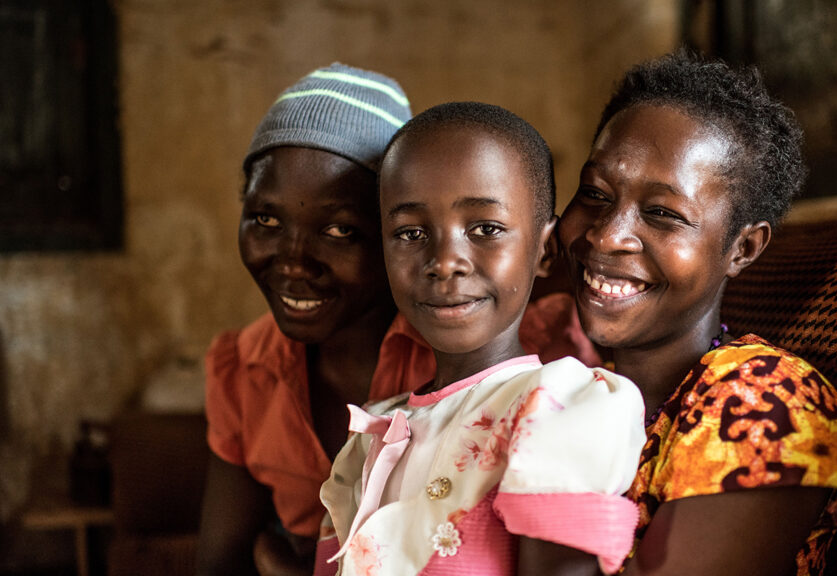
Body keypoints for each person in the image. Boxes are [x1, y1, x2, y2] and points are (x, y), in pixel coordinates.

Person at [198, 66, 600, 576]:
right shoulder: (251, 373)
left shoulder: (543, 377)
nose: (294, 262)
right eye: (266, 220)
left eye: (341, 229)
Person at [557, 52, 837, 576]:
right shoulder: (578, 390)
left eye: (663, 214)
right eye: (594, 194)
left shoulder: (765, 398)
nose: (606, 234)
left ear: (742, 249)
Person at [316, 102, 646, 576]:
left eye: (486, 229)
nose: (445, 260)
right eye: (410, 233)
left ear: (544, 249)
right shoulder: (371, 434)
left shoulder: (561, 409)